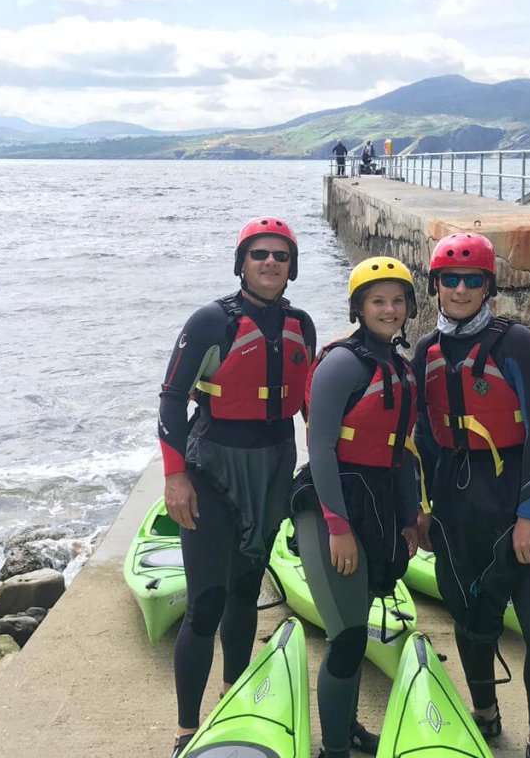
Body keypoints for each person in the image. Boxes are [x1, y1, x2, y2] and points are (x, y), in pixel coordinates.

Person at [157, 217, 317, 757]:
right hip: (213, 466)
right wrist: (175, 475)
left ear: (292, 266)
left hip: (273, 465)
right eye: (259, 254)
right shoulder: (211, 321)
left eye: (280, 255)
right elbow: (171, 400)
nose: (270, 262)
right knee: (206, 603)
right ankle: (185, 728)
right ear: (242, 262)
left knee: (247, 593)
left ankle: (234, 698)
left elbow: (313, 395)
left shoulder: (302, 324)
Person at [412, 232, 530, 758]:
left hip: (512, 497)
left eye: (471, 280)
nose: (459, 289)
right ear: (435, 285)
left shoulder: (515, 342)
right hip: (456, 504)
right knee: (469, 619)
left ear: (487, 286)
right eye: (450, 280)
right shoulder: (425, 350)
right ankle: (485, 711)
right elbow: (425, 439)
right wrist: (426, 510)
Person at [292, 257, 423, 758]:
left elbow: (400, 451)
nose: (389, 310)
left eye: (397, 301)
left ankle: (347, 731)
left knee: (358, 622)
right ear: (359, 307)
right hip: (332, 504)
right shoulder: (342, 364)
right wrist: (337, 526)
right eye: (377, 301)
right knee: (346, 637)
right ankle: (334, 749)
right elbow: (321, 448)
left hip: (379, 501)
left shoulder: (401, 368)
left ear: (408, 308)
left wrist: (409, 517)